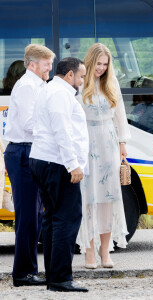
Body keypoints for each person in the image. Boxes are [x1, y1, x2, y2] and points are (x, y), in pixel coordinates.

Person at [29, 57, 89, 292]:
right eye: (82, 76)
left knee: (53, 219)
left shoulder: (50, 90)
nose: (83, 81)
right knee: (67, 218)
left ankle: (55, 276)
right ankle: (62, 278)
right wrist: (73, 164)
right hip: (57, 162)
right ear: (70, 75)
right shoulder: (59, 93)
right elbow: (61, 130)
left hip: (46, 159)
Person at [3, 44, 55, 287]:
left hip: (28, 150)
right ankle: (23, 274)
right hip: (23, 151)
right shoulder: (26, 86)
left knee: (34, 214)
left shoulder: (38, 85)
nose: (50, 68)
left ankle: (28, 271)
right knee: (27, 217)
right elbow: (29, 124)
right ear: (33, 64)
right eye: (46, 64)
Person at [76, 43, 130, 269]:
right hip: (86, 139)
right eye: (98, 63)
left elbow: (120, 115)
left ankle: (105, 250)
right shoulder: (80, 83)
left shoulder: (112, 82)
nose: (101, 68)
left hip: (108, 139)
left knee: (108, 196)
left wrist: (123, 143)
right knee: (88, 197)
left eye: (105, 64)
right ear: (90, 62)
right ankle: (89, 251)